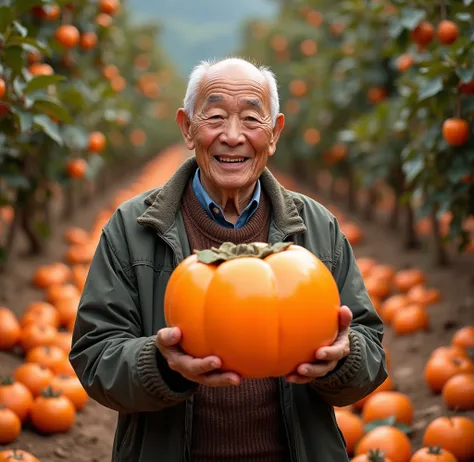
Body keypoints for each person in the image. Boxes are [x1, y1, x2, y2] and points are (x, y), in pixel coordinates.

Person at [70, 57, 387, 462]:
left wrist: (344, 358)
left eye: (252, 119)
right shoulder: (132, 229)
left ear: (274, 133)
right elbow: (95, 356)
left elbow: (370, 351)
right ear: (187, 128)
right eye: (215, 116)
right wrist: (163, 365)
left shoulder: (317, 229)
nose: (233, 136)